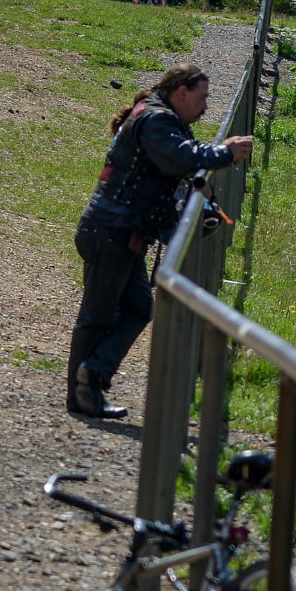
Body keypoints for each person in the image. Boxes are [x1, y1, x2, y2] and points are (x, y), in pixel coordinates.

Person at [66, 64, 253, 419]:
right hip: (112, 232)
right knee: (98, 317)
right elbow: (182, 157)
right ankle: (86, 389)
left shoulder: (157, 116)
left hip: (120, 231)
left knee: (137, 307)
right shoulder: (157, 120)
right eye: (202, 97)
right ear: (180, 91)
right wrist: (225, 152)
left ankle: (91, 379)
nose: (205, 106)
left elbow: (175, 162)